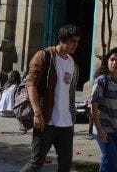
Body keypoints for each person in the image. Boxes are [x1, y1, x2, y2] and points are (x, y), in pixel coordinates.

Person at [18, 24, 81, 172]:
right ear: (61, 40)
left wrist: (72, 117)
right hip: (46, 121)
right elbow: (31, 84)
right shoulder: (44, 56)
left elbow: (69, 92)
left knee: (65, 166)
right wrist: (37, 112)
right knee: (36, 164)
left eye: (77, 41)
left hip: (66, 123)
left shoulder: (73, 64)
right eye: (72, 40)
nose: (75, 44)